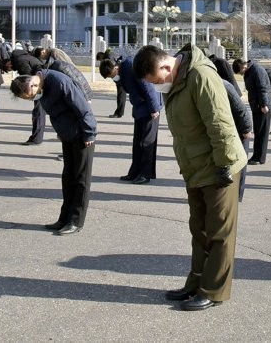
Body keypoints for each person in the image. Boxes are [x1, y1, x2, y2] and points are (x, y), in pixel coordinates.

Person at [134, 44, 247, 311]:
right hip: (197, 167)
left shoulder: (200, 75)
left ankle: (213, 290)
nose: (157, 87)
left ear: (165, 66)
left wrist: (225, 165)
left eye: (156, 81)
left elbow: (219, 121)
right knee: (200, 229)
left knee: (220, 232)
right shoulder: (178, 79)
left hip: (219, 165)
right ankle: (195, 283)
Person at [11, 70, 97, 235]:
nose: (31, 99)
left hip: (82, 134)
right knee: (68, 177)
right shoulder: (42, 86)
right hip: (68, 134)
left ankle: (76, 221)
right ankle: (64, 218)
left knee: (81, 178)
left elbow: (83, 109)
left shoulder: (60, 82)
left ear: (34, 84)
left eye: (29, 96)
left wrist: (89, 133)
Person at [103, 57, 162, 184]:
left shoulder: (132, 66)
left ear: (115, 68)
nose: (112, 78)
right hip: (140, 107)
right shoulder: (122, 71)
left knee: (147, 142)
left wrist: (154, 108)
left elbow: (148, 86)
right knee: (137, 142)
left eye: (111, 75)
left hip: (150, 107)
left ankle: (145, 174)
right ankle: (134, 172)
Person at [2, 49, 47, 145]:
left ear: (8, 64)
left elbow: (28, 80)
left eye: (8, 69)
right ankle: (36, 138)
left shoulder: (19, 62)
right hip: (42, 82)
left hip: (39, 86)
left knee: (38, 113)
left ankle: (36, 139)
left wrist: (30, 94)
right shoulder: (22, 57)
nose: (10, 70)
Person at [233, 59, 271, 165]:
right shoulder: (250, 71)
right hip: (257, 107)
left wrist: (264, 105)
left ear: (242, 67)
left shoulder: (256, 70)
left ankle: (259, 158)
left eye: (240, 72)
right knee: (258, 132)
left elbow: (263, 88)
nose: (241, 74)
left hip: (263, 107)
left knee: (262, 133)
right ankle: (256, 156)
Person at [221, 78, 253, 202]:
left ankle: (237, 196)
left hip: (239, 130)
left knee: (239, 164)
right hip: (228, 129)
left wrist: (246, 129)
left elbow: (241, 108)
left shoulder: (223, 85)